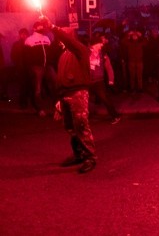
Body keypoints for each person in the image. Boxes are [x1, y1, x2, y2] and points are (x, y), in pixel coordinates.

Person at [39, 16, 97, 174]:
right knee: (70, 128)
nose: (59, 38)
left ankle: (90, 158)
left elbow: (68, 40)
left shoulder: (80, 50)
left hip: (78, 93)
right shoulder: (63, 54)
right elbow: (60, 76)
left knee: (81, 127)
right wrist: (59, 99)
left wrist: (53, 26)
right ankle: (78, 154)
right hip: (65, 94)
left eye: (63, 35)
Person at [89, 35, 121, 124]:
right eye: (99, 44)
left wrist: (111, 79)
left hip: (99, 80)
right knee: (85, 99)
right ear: (94, 45)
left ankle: (115, 116)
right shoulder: (86, 53)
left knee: (105, 99)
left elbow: (109, 67)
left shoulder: (103, 54)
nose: (101, 45)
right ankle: (87, 116)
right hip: (87, 80)